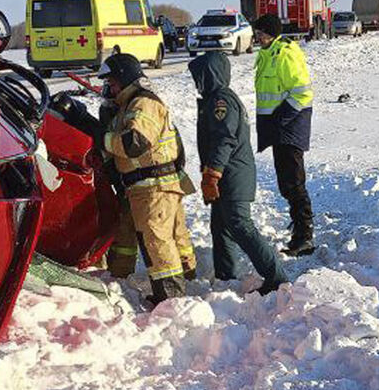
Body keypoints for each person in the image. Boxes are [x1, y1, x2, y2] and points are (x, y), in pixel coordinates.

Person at [98, 53, 195, 305]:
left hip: (155, 187)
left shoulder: (143, 104)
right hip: (143, 187)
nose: (109, 88)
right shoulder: (127, 106)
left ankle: (171, 299)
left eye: (112, 82)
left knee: (157, 242)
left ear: (124, 79)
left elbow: (135, 143)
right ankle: (180, 281)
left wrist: (103, 138)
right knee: (157, 238)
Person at [189, 52, 288, 294]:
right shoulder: (217, 99)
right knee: (221, 226)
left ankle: (276, 277)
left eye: (199, 76)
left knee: (240, 225)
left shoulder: (221, 101)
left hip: (232, 176)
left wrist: (213, 173)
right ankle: (226, 276)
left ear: (210, 75)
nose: (196, 82)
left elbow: (225, 139)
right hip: (228, 175)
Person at [251, 13, 316, 256]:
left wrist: (281, 119)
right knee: (286, 183)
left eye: (261, 34)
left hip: (289, 128)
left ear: (272, 33)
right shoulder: (266, 55)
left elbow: (302, 93)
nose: (258, 38)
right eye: (257, 34)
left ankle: (304, 236)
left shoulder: (285, 55)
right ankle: (300, 228)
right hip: (279, 128)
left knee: (293, 183)